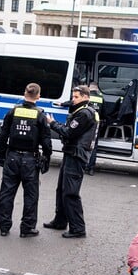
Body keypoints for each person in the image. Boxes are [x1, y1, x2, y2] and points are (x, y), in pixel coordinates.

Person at [0, 82, 52, 237]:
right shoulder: (40, 115)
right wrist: (47, 158)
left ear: (24, 93)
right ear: (38, 96)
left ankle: (4, 227)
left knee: (7, 193)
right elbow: (46, 141)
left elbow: (3, 136)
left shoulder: (13, 112)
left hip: (12, 157)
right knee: (31, 196)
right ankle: (27, 228)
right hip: (30, 159)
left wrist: (2, 155)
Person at [43, 85, 98, 239]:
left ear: (85, 97)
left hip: (76, 156)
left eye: (76, 97)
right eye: (73, 97)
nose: (73, 100)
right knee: (61, 189)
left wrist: (52, 123)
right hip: (71, 153)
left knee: (70, 193)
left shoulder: (85, 114)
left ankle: (78, 228)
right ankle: (60, 221)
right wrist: (66, 103)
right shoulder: (84, 110)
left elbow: (69, 132)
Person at [83, 82, 104, 175]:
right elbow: (104, 112)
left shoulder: (85, 97)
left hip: (86, 124)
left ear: (89, 88)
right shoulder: (101, 98)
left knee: (83, 144)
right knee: (93, 146)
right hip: (96, 124)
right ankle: (91, 168)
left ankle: (83, 165)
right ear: (97, 88)